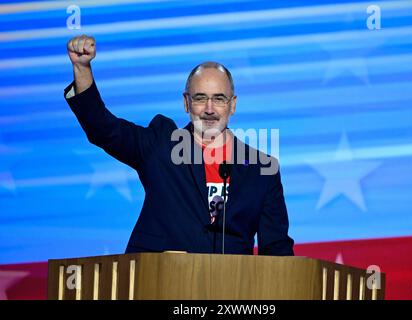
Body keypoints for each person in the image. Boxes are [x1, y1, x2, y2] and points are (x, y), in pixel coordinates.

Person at [65, 34, 294, 256]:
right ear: (186, 102)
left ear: (232, 105)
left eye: (219, 99)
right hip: (161, 284)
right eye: (200, 98)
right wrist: (82, 69)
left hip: (230, 288)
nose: (210, 109)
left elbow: (277, 249)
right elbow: (103, 129)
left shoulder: (262, 169)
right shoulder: (160, 145)